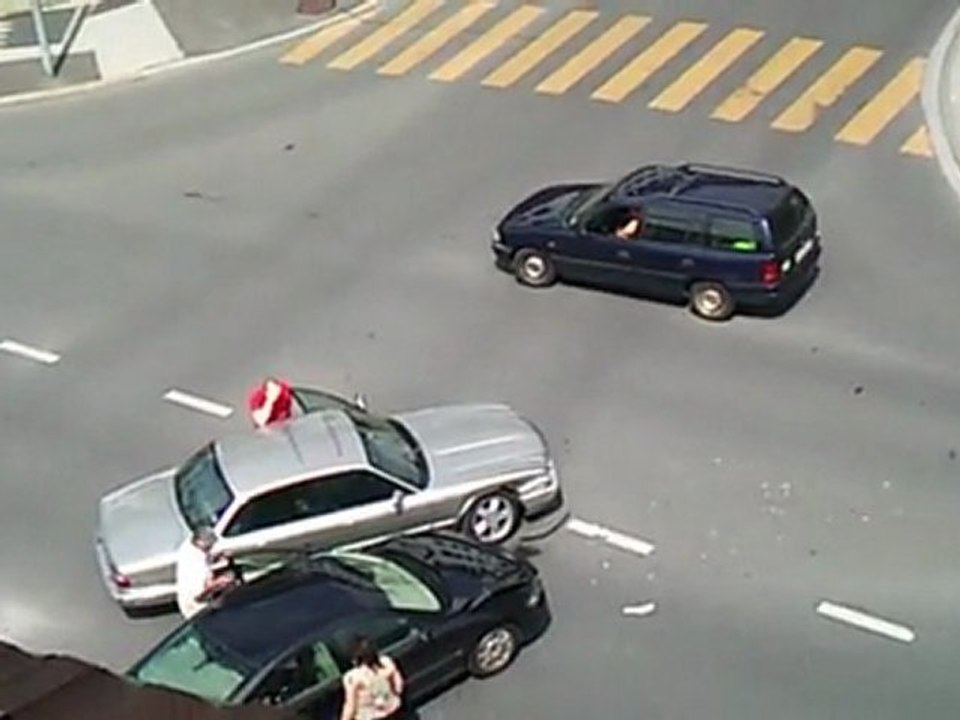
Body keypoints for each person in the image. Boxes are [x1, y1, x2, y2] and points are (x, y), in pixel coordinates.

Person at [174, 527, 237, 619]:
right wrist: (218, 582)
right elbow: (199, 596)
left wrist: (216, 557)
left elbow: (206, 556)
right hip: (196, 608)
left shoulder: (190, 545)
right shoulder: (196, 568)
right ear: (200, 542)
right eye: (209, 546)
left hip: (197, 598)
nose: (211, 547)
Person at [339, 636, 406, 720]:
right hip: (395, 711)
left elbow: (350, 706)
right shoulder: (386, 662)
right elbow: (399, 686)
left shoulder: (352, 677)